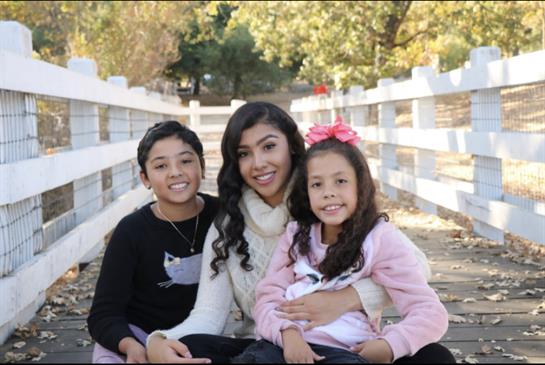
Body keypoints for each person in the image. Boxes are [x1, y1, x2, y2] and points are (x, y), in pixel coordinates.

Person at [146, 102, 432, 363]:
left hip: (345, 347)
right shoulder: (229, 226)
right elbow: (209, 315)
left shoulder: (328, 205)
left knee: (433, 357)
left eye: (268, 147)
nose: (258, 163)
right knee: (195, 346)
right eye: (244, 154)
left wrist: (343, 299)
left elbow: (419, 267)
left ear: (292, 147)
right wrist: (161, 340)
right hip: (268, 344)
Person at [235, 121, 452, 363]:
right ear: (306, 192)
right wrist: (288, 335)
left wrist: (389, 346)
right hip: (284, 345)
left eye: (340, 181)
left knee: (436, 357)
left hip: (344, 350)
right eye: (317, 184)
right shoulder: (296, 234)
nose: (328, 192)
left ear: (361, 185)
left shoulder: (378, 238)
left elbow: (429, 311)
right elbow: (268, 297)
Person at [87, 121, 219, 363]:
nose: (175, 172)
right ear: (145, 178)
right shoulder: (131, 231)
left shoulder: (223, 217)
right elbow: (103, 314)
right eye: (161, 166)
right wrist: (130, 346)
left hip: (196, 340)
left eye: (186, 161)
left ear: (202, 165)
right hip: (136, 336)